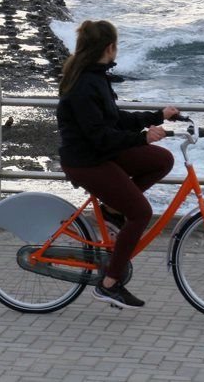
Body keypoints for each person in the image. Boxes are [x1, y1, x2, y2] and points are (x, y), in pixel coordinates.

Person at [56, 19, 178, 310]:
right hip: (86, 161)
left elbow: (114, 118)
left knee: (163, 159)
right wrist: (142, 138)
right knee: (140, 213)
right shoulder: (85, 84)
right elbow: (101, 138)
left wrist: (157, 116)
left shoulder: (95, 76)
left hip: (99, 153)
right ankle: (109, 284)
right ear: (109, 47)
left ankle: (111, 210)